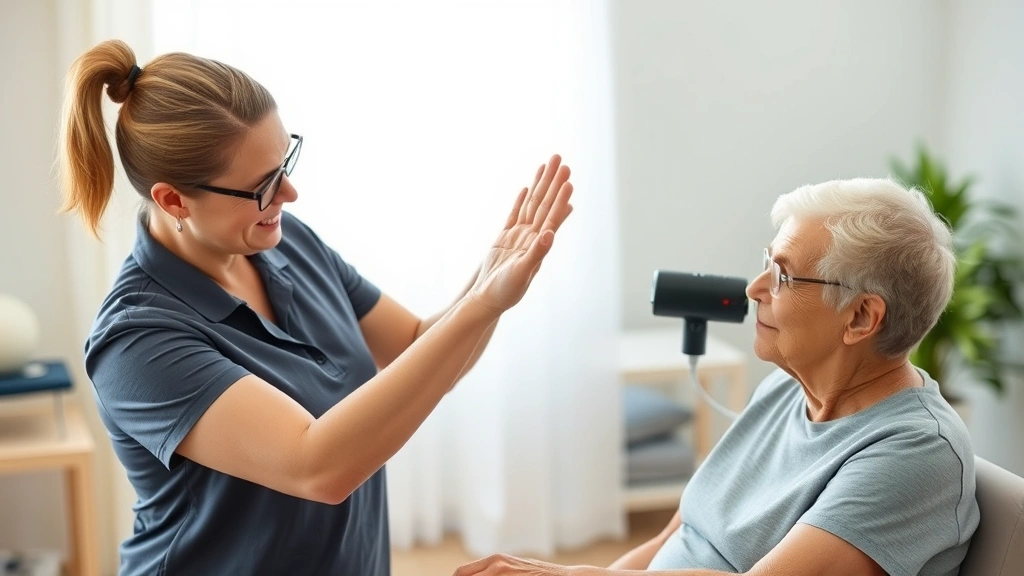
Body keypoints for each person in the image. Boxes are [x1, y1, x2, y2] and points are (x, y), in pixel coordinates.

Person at [59, 39, 573, 576]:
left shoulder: (285, 241)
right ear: (173, 201)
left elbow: (420, 353)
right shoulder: (137, 341)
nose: (290, 193)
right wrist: (481, 304)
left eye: (285, 161)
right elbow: (318, 466)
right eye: (262, 186)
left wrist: (488, 284)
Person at [455, 178, 980, 576]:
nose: (754, 288)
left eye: (783, 275)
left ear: (862, 317)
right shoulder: (785, 389)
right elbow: (681, 532)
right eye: (765, 263)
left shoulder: (916, 453)